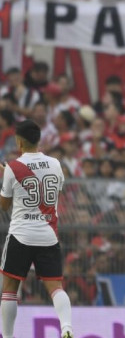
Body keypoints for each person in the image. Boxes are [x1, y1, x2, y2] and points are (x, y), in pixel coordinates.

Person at [0, 120, 73, 338]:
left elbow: (4, 205)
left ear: (18, 141)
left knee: (10, 289)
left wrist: (5, 177)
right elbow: (50, 192)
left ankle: (9, 336)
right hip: (48, 235)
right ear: (38, 139)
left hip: (21, 235)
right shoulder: (56, 164)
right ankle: (67, 327)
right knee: (56, 288)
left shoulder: (13, 168)